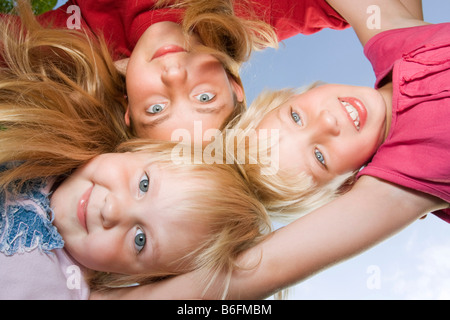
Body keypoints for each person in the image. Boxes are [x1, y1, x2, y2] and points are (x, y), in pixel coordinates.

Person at [90, 0, 449, 299]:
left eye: (295, 116)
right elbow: (259, 271)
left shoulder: (397, 41)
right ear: (348, 187)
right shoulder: (409, 173)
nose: (328, 122)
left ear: (295, 94)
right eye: (319, 157)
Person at [0, 5, 271, 300]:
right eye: (144, 184)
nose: (112, 210)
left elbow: (271, 266)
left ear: (138, 278)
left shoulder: (62, 287)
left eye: (140, 240)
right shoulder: (47, 142)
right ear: (132, 151)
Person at [30, 0, 349, 141]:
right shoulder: (241, 12)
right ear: (233, 84)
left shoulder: (81, 41)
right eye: (204, 96)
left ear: (128, 105)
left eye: (156, 108)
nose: (173, 77)